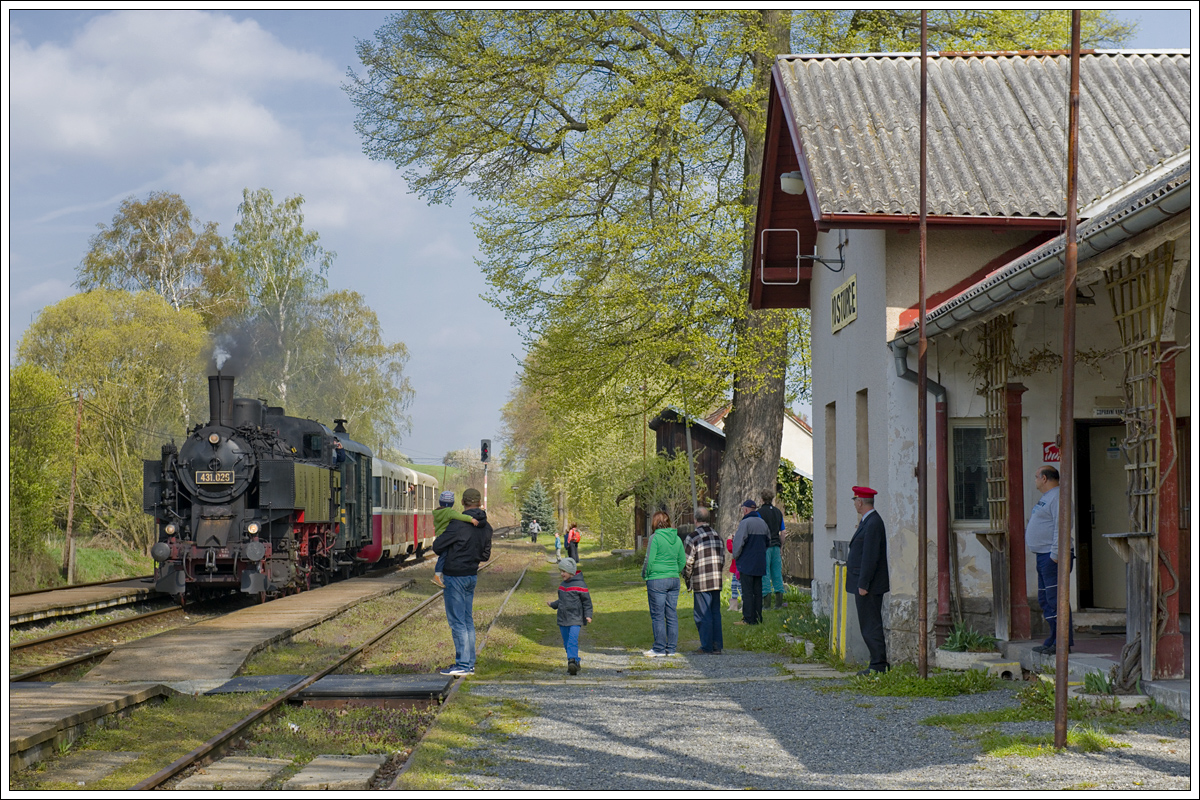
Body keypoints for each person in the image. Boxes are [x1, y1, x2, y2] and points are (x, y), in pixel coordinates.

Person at [432, 487, 493, 676]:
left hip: (455, 576)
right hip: (471, 575)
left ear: (462, 503)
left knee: (457, 621)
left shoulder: (457, 524)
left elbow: (437, 546)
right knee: (467, 620)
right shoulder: (486, 527)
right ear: (479, 503)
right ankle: (469, 664)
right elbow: (485, 555)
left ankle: (463, 665)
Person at [1026, 465, 1073, 655]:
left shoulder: (1058, 497)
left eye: (1036, 476)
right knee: (1045, 599)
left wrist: (1055, 554)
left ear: (1044, 478)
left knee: (1056, 599)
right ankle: (1053, 638)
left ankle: (1063, 642)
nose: (1035, 480)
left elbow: (1061, 527)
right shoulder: (1048, 497)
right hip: (1043, 555)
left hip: (1052, 556)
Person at [847, 486, 890, 675]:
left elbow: (870, 557)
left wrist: (863, 584)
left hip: (869, 585)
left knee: (871, 624)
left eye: (855, 500)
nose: (855, 504)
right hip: (865, 583)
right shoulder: (868, 522)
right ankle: (876, 663)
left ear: (860, 502)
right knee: (868, 624)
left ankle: (878, 665)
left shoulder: (873, 523)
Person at [642, 510, 686, 657]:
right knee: (671, 614)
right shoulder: (677, 539)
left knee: (658, 615)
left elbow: (649, 560)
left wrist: (645, 574)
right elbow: (682, 560)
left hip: (657, 579)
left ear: (654, 523)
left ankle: (659, 648)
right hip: (673, 579)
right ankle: (671, 648)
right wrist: (674, 571)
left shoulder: (655, 538)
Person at [683, 506, 725, 655]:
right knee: (715, 613)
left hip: (701, 580)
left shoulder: (693, 537)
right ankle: (717, 646)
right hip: (716, 580)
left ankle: (706, 646)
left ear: (696, 520)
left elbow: (688, 562)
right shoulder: (718, 536)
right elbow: (722, 559)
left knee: (702, 614)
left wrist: (688, 579)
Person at [547, 556, 592, 675]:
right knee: (566, 642)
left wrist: (588, 615)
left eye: (564, 571)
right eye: (561, 571)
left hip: (576, 618)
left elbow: (587, 602)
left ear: (571, 572)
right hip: (563, 618)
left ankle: (571, 661)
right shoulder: (563, 585)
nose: (562, 574)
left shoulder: (581, 585)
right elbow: (561, 601)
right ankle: (575, 661)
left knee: (572, 640)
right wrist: (553, 604)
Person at [731, 499, 769, 625]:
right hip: (759, 563)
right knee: (757, 592)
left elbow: (738, 543)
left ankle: (748, 618)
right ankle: (758, 617)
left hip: (747, 563)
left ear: (746, 510)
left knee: (747, 592)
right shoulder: (763, 523)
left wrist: (736, 556)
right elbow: (768, 541)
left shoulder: (745, 523)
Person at [432, 490, 479, 588]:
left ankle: (439, 575)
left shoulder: (437, 512)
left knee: (443, 556)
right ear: (451, 503)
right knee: (444, 556)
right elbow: (460, 516)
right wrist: (471, 519)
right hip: (446, 536)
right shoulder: (449, 512)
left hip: (439, 536)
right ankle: (437, 575)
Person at [758, 488, 787, 610]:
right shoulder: (778, 512)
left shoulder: (759, 513)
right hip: (776, 545)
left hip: (765, 546)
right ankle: (779, 603)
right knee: (777, 573)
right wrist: (781, 546)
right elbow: (783, 532)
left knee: (765, 573)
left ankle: (766, 603)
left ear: (761, 499)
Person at [725, 534, 742, 612]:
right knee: (734, 586)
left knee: (740, 587)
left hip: (740, 569)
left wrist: (729, 540)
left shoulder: (740, 546)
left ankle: (744, 604)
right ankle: (733, 605)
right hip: (736, 570)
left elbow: (730, 549)